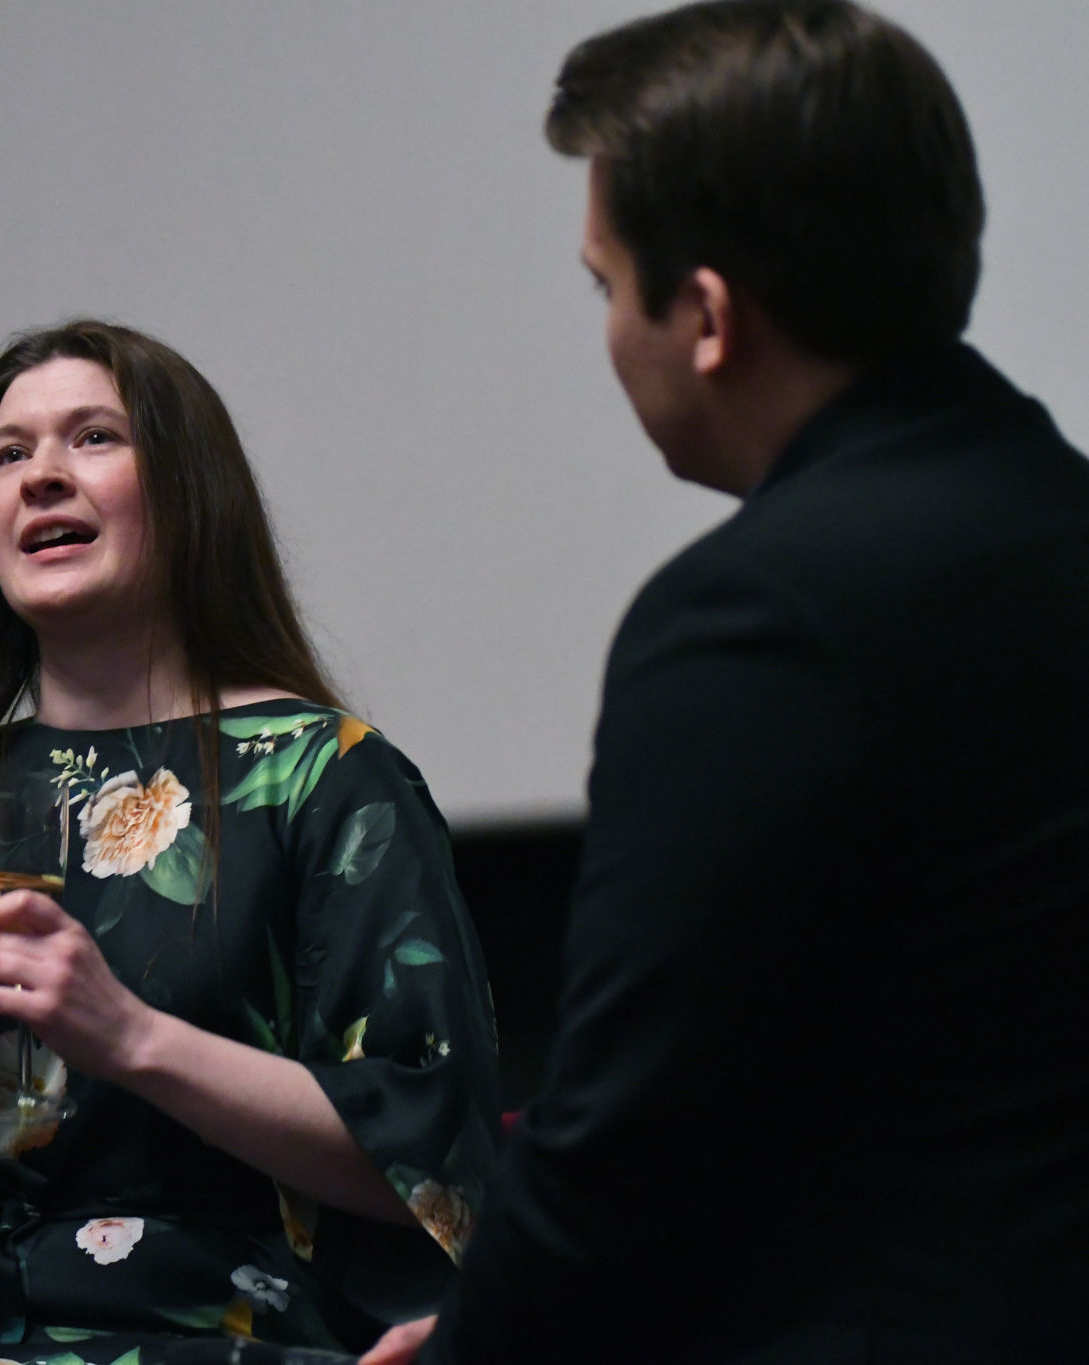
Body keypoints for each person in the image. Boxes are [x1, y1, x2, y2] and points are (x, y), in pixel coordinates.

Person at [363, 4, 1089, 1363]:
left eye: (603, 285)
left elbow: (629, 1150)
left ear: (704, 316)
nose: (605, 328)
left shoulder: (751, 619)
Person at [0, 319, 500, 1364]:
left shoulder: (320, 774)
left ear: (191, 491)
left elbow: (429, 1161)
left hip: (224, 1337)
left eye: (94, 437)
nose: (41, 477)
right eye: (8, 454)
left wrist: (131, 1038)